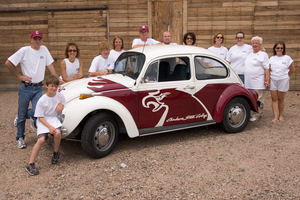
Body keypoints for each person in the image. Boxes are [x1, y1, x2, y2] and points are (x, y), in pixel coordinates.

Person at [5, 30, 63, 149]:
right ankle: (20, 137)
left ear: (42, 40)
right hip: (25, 87)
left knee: (40, 112)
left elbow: (50, 65)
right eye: (35, 39)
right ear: (31, 40)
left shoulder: (44, 50)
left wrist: (57, 79)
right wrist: (19, 76)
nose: (37, 41)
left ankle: (31, 118)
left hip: (38, 87)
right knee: (21, 116)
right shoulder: (24, 50)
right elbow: (8, 62)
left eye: (39, 39)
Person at [25, 75, 66, 175]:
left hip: (53, 118)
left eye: (56, 86)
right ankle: (31, 163)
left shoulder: (59, 95)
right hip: (44, 120)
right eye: (52, 86)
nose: (54, 88)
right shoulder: (42, 100)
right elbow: (40, 117)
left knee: (57, 133)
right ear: (47, 86)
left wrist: (61, 104)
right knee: (41, 140)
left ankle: (56, 152)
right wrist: (49, 127)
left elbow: (64, 102)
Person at [244, 36, 270, 122]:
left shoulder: (263, 55)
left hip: (258, 82)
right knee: (250, 99)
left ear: (260, 44)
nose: (254, 45)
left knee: (258, 99)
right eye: (253, 43)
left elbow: (266, 68)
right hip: (248, 82)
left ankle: (257, 114)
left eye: (256, 43)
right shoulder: (250, 53)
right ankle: (252, 113)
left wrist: (267, 80)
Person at [269, 41, 295, 123]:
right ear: (275, 49)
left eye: (281, 48)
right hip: (273, 79)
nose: (279, 49)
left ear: (283, 49)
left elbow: (292, 69)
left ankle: (281, 115)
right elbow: (268, 69)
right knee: (274, 98)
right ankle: (275, 116)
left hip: (283, 80)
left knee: (281, 99)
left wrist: (285, 76)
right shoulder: (271, 58)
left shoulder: (287, 58)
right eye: (278, 48)